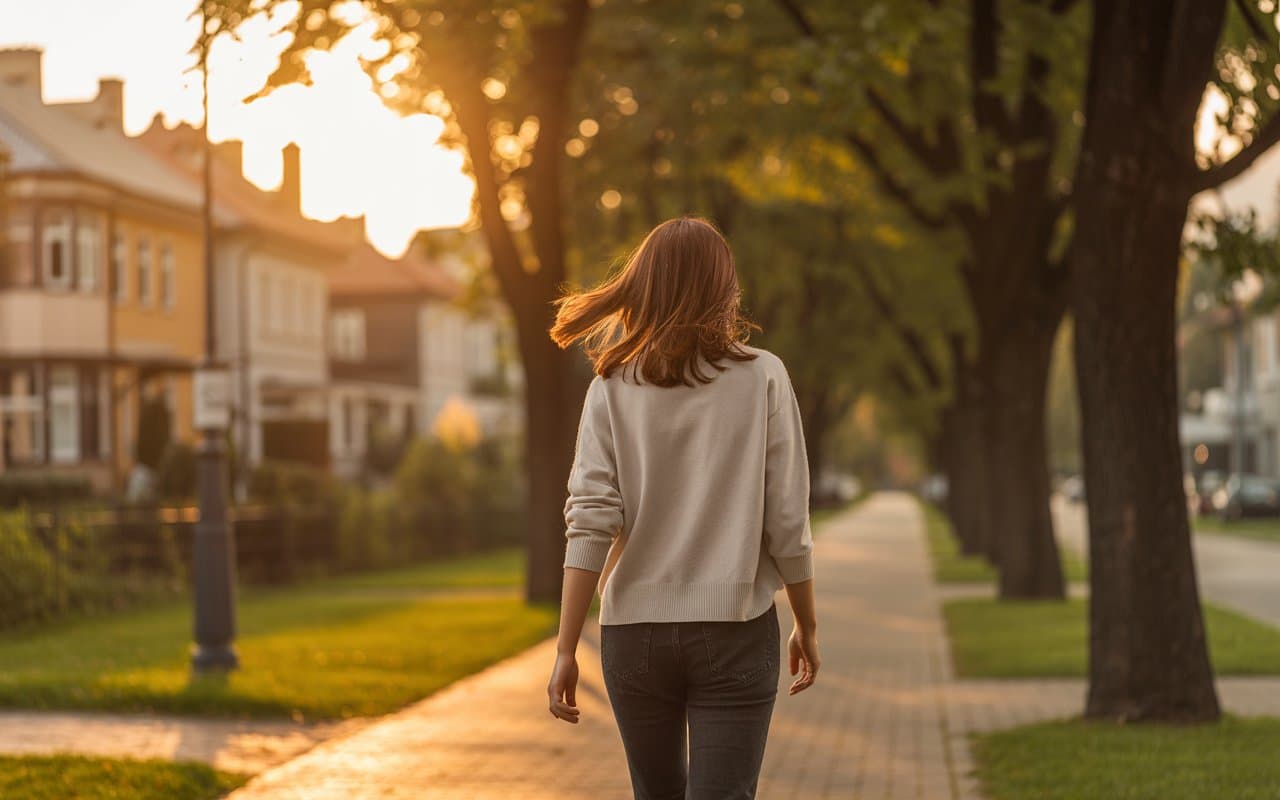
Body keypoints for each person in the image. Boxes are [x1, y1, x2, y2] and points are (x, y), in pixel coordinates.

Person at [545, 216, 820, 800]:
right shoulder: (764, 377)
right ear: (724, 287)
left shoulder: (610, 387)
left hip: (632, 637)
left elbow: (589, 520)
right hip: (737, 630)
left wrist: (567, 647)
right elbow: (788, 521)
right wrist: (807, 623)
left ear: (644, 285)